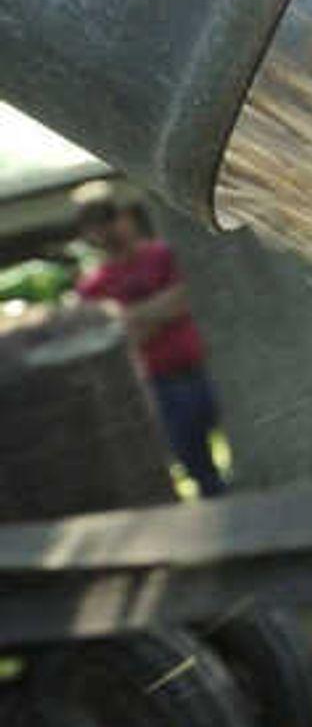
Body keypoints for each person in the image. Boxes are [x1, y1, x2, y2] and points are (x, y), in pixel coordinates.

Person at [68, 180, 226, 494]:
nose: (107, 229)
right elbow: (114, 337)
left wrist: (130, 316)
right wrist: (158, 310)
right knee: (198, 468)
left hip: (207, 366)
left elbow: (185, 297)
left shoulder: (165, 254)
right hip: (158, 384)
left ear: (126, 215)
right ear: (86, 231)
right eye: (95, 223)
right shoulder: (91, 287)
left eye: (109, 216)